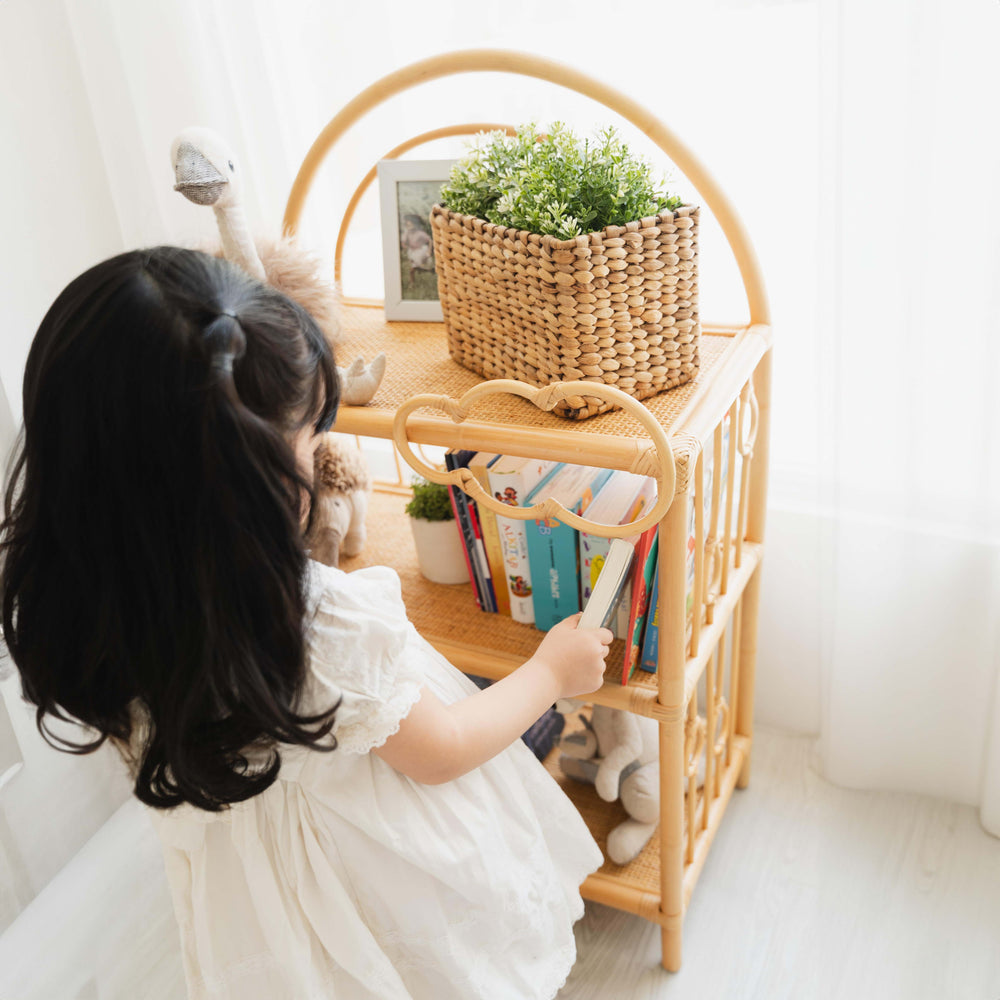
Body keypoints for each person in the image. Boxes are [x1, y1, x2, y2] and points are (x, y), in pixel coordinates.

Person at [0, 247, 612, 1000]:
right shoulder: (317, 626)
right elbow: (443, 749)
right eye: (310, 449)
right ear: (241, 489)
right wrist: (550, 672)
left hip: (251, 907)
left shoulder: (106, 615)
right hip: (369, 885)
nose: (319, 469)